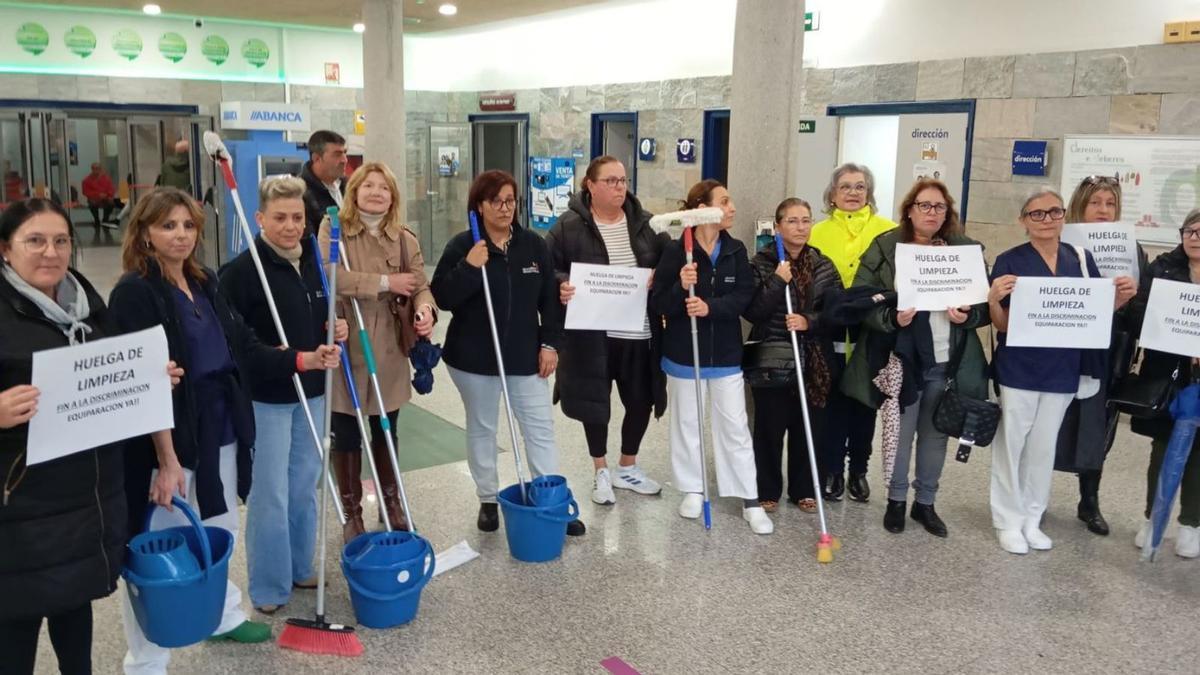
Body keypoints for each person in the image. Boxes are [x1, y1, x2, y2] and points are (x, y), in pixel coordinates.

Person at [108, 187, 339, 672]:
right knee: (162, 542)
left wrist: (301, 358)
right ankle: (146, 659)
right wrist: (167, 461)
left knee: (218, 525)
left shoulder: (205, 281)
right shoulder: (136, 291)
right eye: (168, 225)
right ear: (145, 232)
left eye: (188, 225)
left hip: (220, 423)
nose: (180, 235)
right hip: (167, 435)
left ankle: (222, 614)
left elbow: (245, 345)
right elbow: (142, 385)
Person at [0, 198, 178, 674]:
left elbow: (112, 368)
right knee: (16, 623)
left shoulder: (83, 298)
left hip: (85, 495)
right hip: (22, 506)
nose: (50, 252)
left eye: (61, 241)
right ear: (5, 249)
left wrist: (150, 379)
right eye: (34, 240)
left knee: (73, 607)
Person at [218, 176, 348, 613]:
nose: (290, 226)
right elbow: (239, 347)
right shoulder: (239, 274)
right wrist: (292, 358)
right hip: (267, 398)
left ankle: (299, 565)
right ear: (260, 219)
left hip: (312, 392)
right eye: (280, 218)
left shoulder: (312, 260)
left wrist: (334, 329)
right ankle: (270, 585)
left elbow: (317, 317)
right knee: (269, 492)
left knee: (303, 486)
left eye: (297, 217)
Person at [431, 170, 584, 536]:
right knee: (483, 428)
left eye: (511, 200)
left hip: (525, 355)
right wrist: (470, 266)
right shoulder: (462, 245)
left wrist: (550, 344)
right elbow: (442, 297)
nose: (505, 208)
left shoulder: (532, 245)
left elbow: (550, 298)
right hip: (473, 358)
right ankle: (487, 498)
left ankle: (551, 499)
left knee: (539, 427)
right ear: (479, 206)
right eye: (496, 201)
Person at [986, 188, 1136, 555]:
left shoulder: (1081, 259)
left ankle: (1032, 517)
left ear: (1064, 216)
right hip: (1020, 366)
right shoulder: (1010, 260)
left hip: (1063, 368)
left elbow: (1096, 316)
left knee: (1043, 446)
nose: (1047, 220)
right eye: (1036, 214)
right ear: (1023, 220)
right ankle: (1007, 519)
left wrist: (1118, 299)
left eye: (1054, 212)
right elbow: (1002, 326)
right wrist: (992, 299)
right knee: (1013, 444)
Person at [844, 180, 990, 537]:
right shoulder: (887, 246)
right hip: (902, 359)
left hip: (947, 360)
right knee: (901, 433)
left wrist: (968, 316)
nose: (931, 213)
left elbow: (986, 308)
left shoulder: (965, 250)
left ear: (948, 213)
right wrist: (891, 318)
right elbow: (860, 301)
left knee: (935, 435)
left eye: (939, 207)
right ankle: (896, 500)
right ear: (909, 209)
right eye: (924, 206)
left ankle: (925, 502)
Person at [318, 162, 436, 543]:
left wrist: (424, 309)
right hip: (346, 339)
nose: (375, 193)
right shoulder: (333, 229)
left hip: (388, 346)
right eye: (368, 185)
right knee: (347, 429)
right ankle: (352, 512)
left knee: (387, 427)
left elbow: (420, 283)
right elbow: (328, 274)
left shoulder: (404, 239)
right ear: (354, 192)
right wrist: (386, 281)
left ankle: (392, 502)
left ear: (393, 197)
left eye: (383, 188)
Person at [652, 179, 772, 534]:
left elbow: (743, 298)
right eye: (725, 201)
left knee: (734, 425)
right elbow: (659, 301)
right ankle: (692, 487)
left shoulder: (735, 250)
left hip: (725, 355)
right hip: (683, 353)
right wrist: (679, 282)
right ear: (702, 207)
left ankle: (749, 497)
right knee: (687, 422)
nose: (732, 207)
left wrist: (709, 307)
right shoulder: (677, 251)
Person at [547, 155, 667, 505]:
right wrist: (562, 284)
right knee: (594, 402)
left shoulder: (645, 224)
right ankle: (600, 468)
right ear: (591, 185)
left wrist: (659, 276)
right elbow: (549, 270)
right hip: (591, 335)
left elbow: (664, 264)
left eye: (623, 181)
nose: (619, 187)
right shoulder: (568, 226)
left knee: (641, 401)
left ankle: (627, 466)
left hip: (638, 333)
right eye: (611, 181)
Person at [1056, 175, 1149, 536]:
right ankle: (1031, 495)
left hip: (1106, 351)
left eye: (1110, 203)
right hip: (1062, 346)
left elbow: (1143, 310)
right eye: (1096, 202)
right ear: (1081, 204)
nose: (1103, 210)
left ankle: (1089, 500)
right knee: (1051, 420)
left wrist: (1129, 298)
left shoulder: (1131, 249)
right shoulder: (1058, 242)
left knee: (1097, 426)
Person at [743, 197, 840, 514]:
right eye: (793, 221)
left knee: (808, 426)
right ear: (779, 226)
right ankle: (766, 488)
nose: (801, 227)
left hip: (813, 361)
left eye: (806, 220)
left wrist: (809, 322)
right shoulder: (761, 263)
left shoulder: (824, 265)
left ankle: (804, 489)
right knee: (770, 428)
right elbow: (753, 311)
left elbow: (838, 315)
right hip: (773, 359)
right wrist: (776, 281)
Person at [809, 163, 898, 503]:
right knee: (832, 401)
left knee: (864, 402)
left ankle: (858, 469)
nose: (852, 193)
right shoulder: (817, 232)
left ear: (869, 193)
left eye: (860, 187)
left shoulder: (888, 231)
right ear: (832, 194)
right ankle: (832, 468)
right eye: (845, 186)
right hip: (830, 329)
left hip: (871, 331)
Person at [1127, 209, 1200, 558]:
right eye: (1190, 230)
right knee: (1161, 448)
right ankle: (1152, 518)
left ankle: (1191, 524)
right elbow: (1140, 313)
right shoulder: (1161, 268)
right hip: (1167, 375)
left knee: (1199, 454)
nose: (1194, 236)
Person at [300, 130, 348, 238]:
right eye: (337, 154)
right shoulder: (301, 194)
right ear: (316, 158)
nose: (344, 160)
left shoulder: (350, 188)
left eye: (345, 153)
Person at [81, 162, 121, 242]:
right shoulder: (86, 180)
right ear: (92, 169)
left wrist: (107, 195)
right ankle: (96, 220)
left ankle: (105, 219)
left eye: (98, 169)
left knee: (111, 203)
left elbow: (111, 189)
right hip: (94, 199)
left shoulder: (106, 179)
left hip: (105, 198)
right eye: (95, 169)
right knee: (92, 203)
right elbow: (85, 192)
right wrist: (97, 195)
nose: (96, 171)